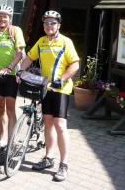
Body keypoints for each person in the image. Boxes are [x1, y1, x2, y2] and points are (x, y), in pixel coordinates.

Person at [18, 10, 79, 182]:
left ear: (59, 25)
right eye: (46, 23)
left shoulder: (66, 42)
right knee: (48, 123)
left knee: (60, 125)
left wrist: (62, 79)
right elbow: (29, 58)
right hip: (45, 88)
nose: (49, 26)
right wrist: (21, 71)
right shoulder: (42, 42)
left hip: (61, 90)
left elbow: (74, 65)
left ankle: (64, 163)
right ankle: (49, 157)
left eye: (52, 23)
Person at [0, 4, 25, 165]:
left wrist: (9, 67)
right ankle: (2, 140)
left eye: (6, 16)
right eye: (0, 16)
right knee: (0, 108)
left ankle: (12, 141)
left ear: (10, 19)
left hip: (10, 75)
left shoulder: (15, 31)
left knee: (10, 108)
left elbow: (19, 53)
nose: (2, 19)